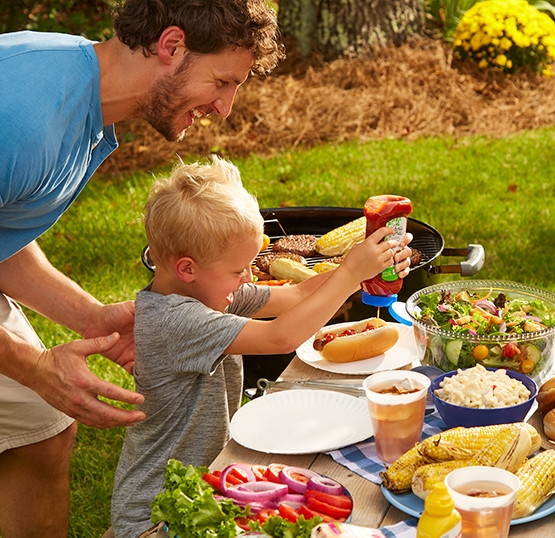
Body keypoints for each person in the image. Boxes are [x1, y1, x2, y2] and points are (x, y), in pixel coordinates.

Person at [0, 1, 284, 535]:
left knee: (39, 429)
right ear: (171, 46)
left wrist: (91, 316)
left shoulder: (85, 106)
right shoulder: (18, 117)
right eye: (222, 81)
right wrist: (30, 364)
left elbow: (1, 239)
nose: (225, 108)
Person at [109, 155, 412, 536]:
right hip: (155, 517)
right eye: (239, 270)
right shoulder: (176, 319)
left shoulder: (210, 291)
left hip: (207, 491)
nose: (249, 277)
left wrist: (365, 272)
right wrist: (351, 273)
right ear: (187, 268)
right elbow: (278, 337)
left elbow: (298, 293)